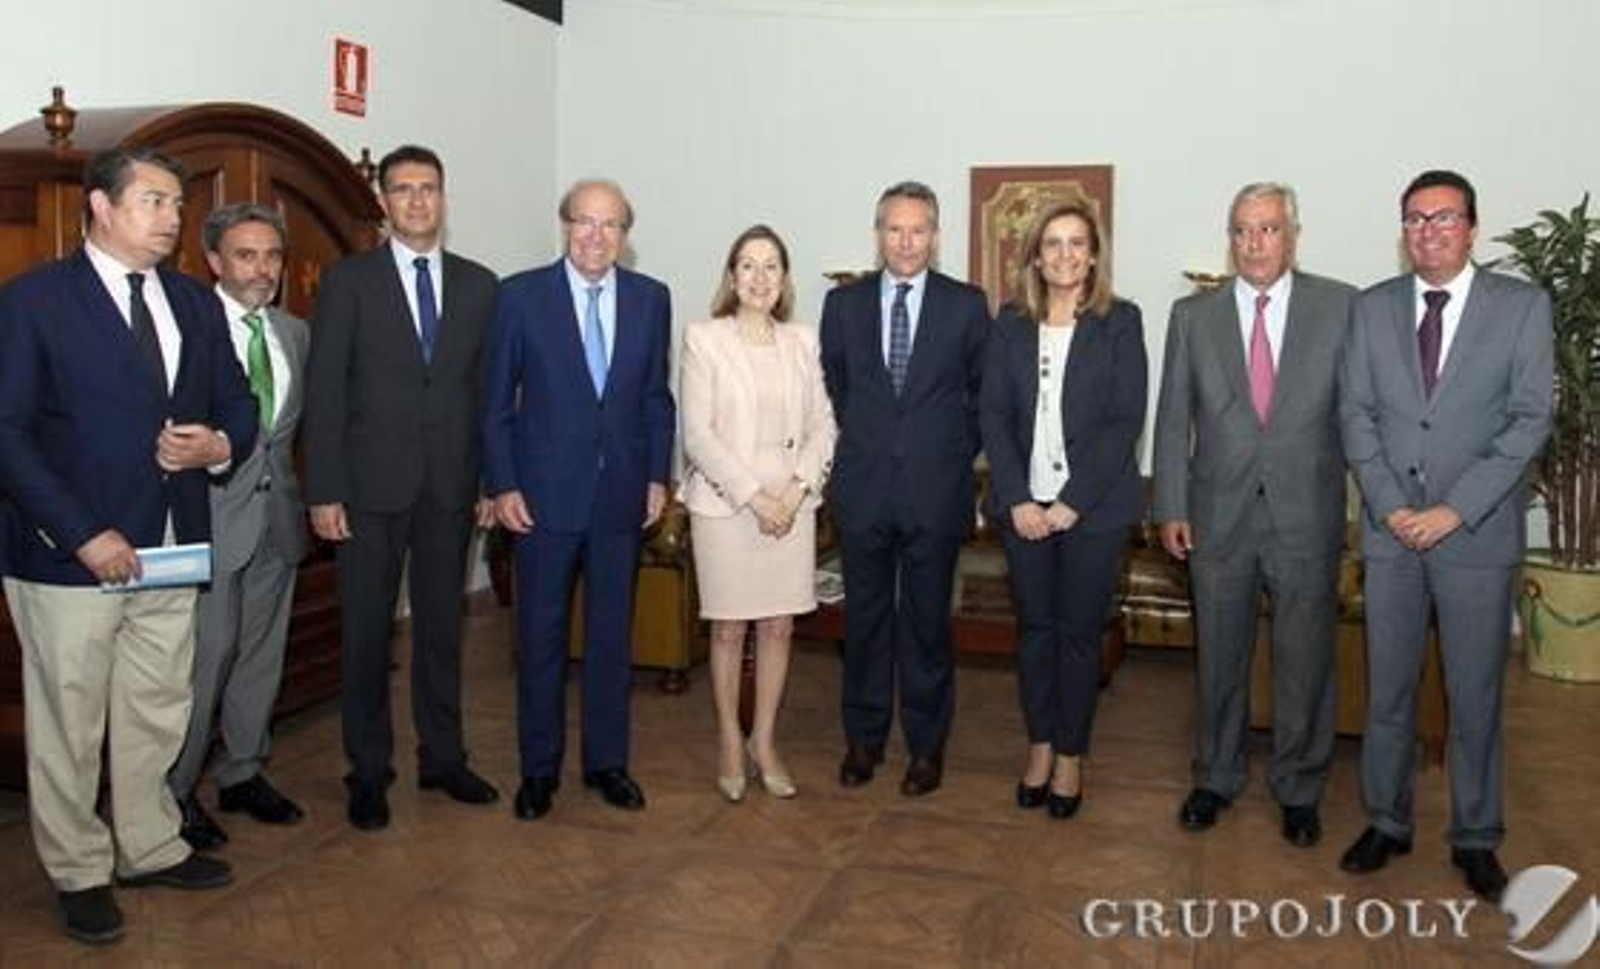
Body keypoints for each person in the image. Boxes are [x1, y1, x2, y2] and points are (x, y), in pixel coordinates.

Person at [0, 147, 259, 944]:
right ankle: (79, 868)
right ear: (101, 207)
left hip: (174, 542)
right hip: (70, 557)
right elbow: (7, 433)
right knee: (70, 719)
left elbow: (238, 403)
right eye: (154, 201)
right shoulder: (35, 300)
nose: (173, 217)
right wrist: (82, 533)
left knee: (157, 706)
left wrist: (216, 444)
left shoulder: (195, 300)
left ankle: (148, 843)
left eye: (177, 204)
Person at [1338, 170, 1552, 901]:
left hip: (1476, 536)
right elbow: (1355, 414)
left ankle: (1476, 836)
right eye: (1415, 219)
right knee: (1388, 692)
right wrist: (1393, 504)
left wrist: (1455, 509)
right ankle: (1387, 821)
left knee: (1475, 693)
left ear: (1472, 226)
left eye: (1443, 217)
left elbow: (1529, 420)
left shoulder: (1522, 308)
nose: (1428, 230)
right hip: (1391, 534)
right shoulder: (1370, 310)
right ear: (1403, 230)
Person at [302, 144, 501, 832]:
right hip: (366, 490)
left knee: (444, 630)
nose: (418, 201)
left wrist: (490, 482)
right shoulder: (348, 282)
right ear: (382, 203)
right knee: (365, 636)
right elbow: (324, 394)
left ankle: (443, 757)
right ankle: (368, 769)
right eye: (403, 190)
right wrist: (322, 491)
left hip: (450, 487)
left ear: (444, 197)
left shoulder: (481, 286)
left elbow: (489, 395)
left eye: (430, 188)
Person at [1151, 182, 1356, 847]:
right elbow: (1173, 417)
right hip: (1217, 517)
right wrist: (1172, 505)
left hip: (1307, 514)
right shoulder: (1194, 316)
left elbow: (1358, 416)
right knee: (1219, 655)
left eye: (1268, 229)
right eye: (1242, 230)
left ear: (1292, 234)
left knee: (1304, 658)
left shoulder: (1339, 307)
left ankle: (1299, 787)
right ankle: (1215, 775)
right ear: (1229, 237)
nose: (1254, 243)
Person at [483, 179, 676, 820]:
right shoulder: (519, 297)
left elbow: (655, 398)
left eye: (611, 225)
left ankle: (607, 763)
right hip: (540, 499)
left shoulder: (652, 300)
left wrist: (656, 477)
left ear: (627, 235)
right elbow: (495, 406)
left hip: (621, 495)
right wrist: (503, 484)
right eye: (585, 223)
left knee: (611, 638)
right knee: (538, 638)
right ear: (564, 225)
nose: (596, 236)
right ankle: (539, 771)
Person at [820, 180, 990, 797]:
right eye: (895, 228)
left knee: (926, 627)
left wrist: (942, 454)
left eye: (918, 229)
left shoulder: (967, 305)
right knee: (863, 622)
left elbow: (981, 397)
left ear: (936, 237)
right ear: (878, 235)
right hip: (863, 491)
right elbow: (836, 387)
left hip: (935, 492)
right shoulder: (844, 305)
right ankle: (863, 741)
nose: (906, 241)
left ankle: (925, 747)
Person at [979, 201, 1146, 819]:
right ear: (1036, 257)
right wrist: (1018, 496)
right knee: (1034, 633)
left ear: (1094, 254)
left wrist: (1072, 502)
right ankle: (1041, 747)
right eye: (1052, 244)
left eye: (1077, 243)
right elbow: (993, 414)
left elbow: (1124, 420)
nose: (1065, 255)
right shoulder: (1010, 324)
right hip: (1024, 512)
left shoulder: (1120, 322)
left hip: (1093, 512)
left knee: (1078, 635)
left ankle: (1073, 754)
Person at [168, 204, 310, 851]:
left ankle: (243, 771)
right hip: (211, 524)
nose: (262, 269)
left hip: (277, 521)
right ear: (215, 262)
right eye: (246, 255)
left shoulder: (294, 332)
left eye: (272, 255)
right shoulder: (185, 331)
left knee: (260, 656)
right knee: (205, 661)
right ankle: (172, 794)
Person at [680, 225, 837, 802]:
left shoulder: (803, 340)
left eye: (772, 266)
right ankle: (728, 737)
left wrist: (794, 493)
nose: (760, 277)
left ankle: (764, 740)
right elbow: (698, 435)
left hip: (790, 506)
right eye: (748, 265)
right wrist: (755, 497)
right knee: (728, 629)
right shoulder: (703, 338)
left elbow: (824, 423)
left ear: (785, 279)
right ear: (731, 276)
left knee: (778, 626)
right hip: (727, 506)